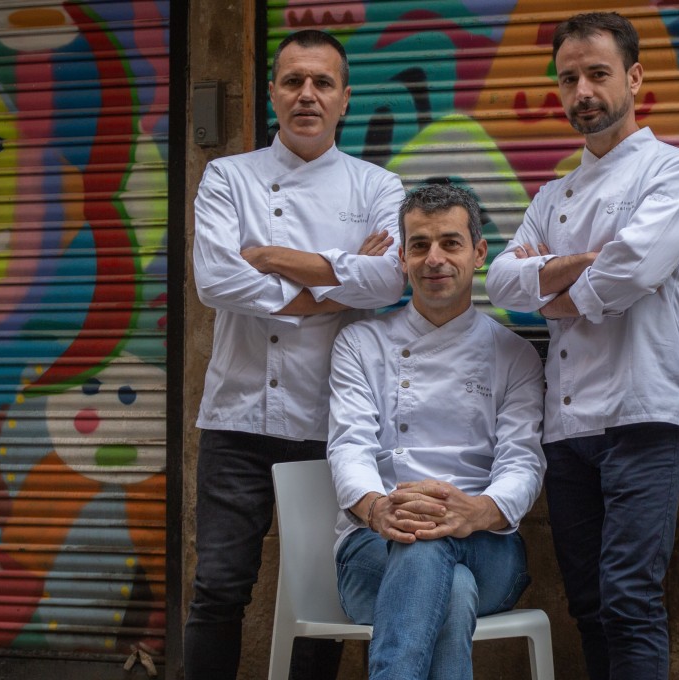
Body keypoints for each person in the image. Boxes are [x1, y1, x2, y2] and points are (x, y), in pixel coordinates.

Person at [485, 12, 679, 680]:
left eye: (597, 74)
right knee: (587, 604)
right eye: (568, 78)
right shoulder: (552, 194)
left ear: (634, 78)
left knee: (630, 600)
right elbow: (501, 280)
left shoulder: (677, 173)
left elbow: (634, 267)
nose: (582, 91)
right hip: (566, 430)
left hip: (644, 416)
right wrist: (584, 263)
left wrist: (552, 288)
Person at [187, 29, 406, 680]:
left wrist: (269, 256)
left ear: (345, 99)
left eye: (322, 83)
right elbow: (215, 281)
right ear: (273, 94)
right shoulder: (229, 177)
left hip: (333, 422)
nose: (307, 94)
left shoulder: (377, 186)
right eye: (293, 81)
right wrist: (332, 286)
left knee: (324, 593)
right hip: (237, 417)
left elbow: (388, 281)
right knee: (219, 586)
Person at [327, 184, 546, 680]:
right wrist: (377, 508)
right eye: (420, 245)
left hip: (488, 545)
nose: (434, 259)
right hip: (373, 545)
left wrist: (477, 511)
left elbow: (523, 461)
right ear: (403, 258)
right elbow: (349, 446)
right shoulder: (360, 344)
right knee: (447, 578)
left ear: (479, 253)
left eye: (450, 243)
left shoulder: (514, 354)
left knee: (427, 546)